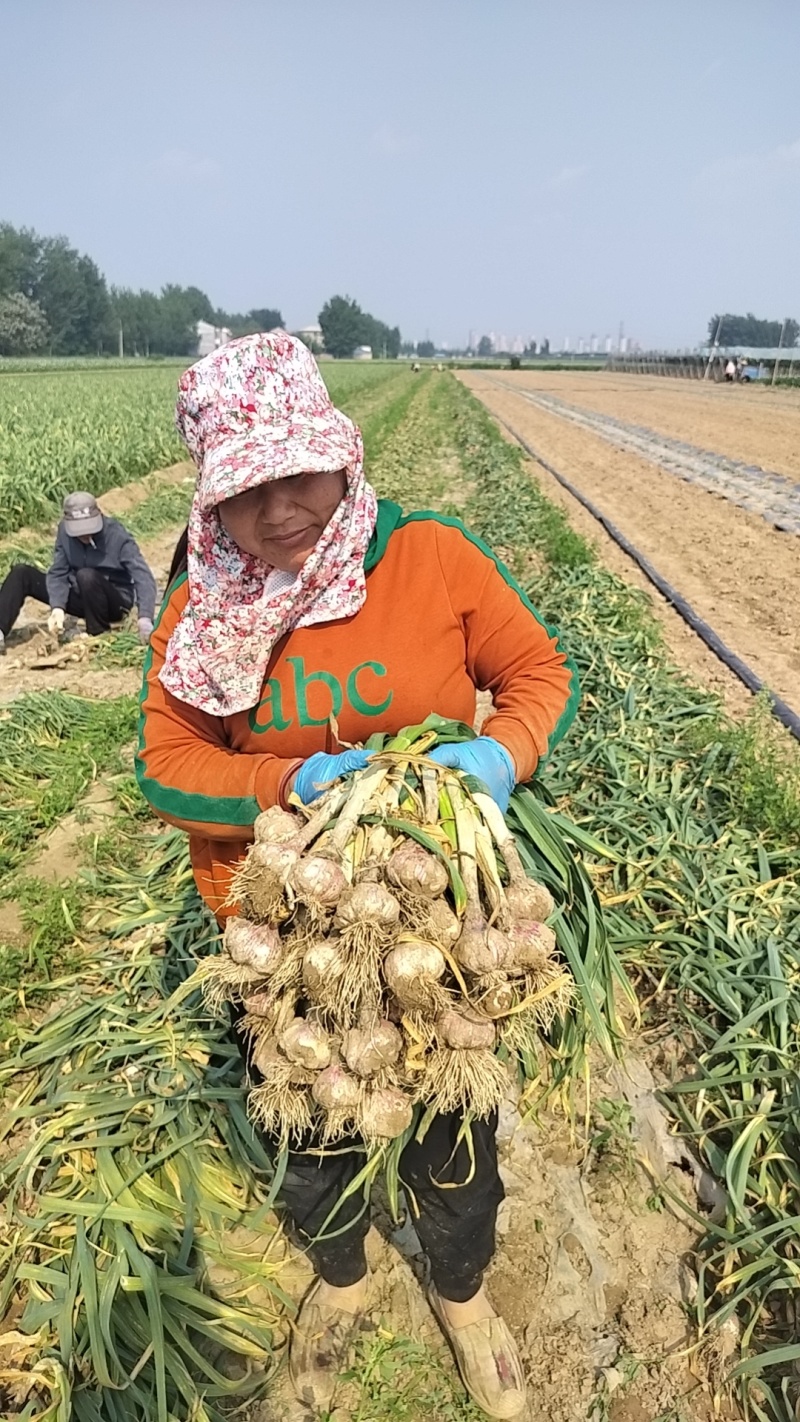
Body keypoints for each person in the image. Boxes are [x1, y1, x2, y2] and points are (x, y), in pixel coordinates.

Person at [137, 332, 579, 1419]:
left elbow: (535, 674)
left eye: (299, 473)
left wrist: (497, 757)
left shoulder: (427, 555)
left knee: (453, 1132)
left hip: (439, 920)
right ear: (213, 502)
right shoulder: (204, 609)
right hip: (290, 949)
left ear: (340, 454)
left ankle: (464, 1297)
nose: (280, 507)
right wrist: (287, 781)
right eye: (247, 489)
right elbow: (164, 763)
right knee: (310, 1144)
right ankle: (339, 1283)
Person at [0, 492, 157, 652]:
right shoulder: (64, 533)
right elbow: (58, 572)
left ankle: (97, 633)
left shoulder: (117, 535)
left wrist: (145, 617)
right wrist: (57, 607)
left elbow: (143, 576)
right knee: (21, 573)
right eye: (79, 531)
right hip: (80, 593)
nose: (85, 535)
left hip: (113, 601)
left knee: (86, 575)